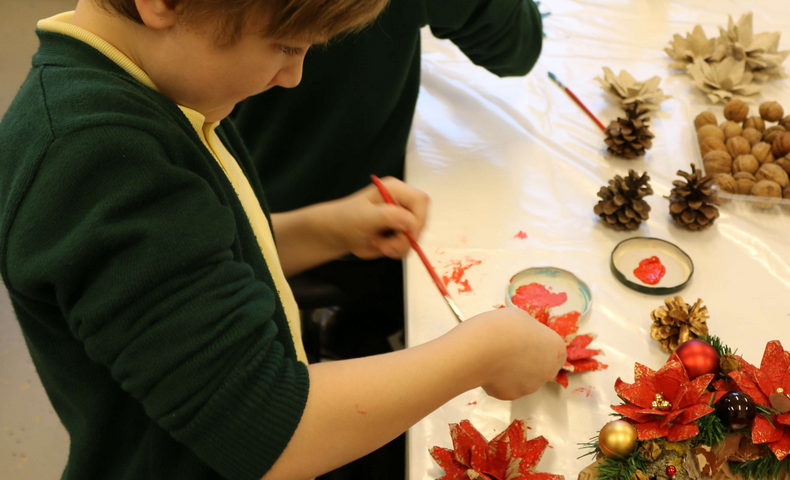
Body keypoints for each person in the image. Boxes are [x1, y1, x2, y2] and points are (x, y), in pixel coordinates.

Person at [0, 1, 566, 480]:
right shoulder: (98, 158)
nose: (292, 77)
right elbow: (267, 430)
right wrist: (487, 348)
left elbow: (196, 256)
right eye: (286, 47)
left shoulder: (138, 94)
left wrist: (321, 230)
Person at [231, 0, 545, 360]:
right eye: (287, 47)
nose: (291, 76)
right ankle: (354, 332)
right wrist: (468, 360)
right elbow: (517, 48)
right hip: (301, 242)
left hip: (312, 225)